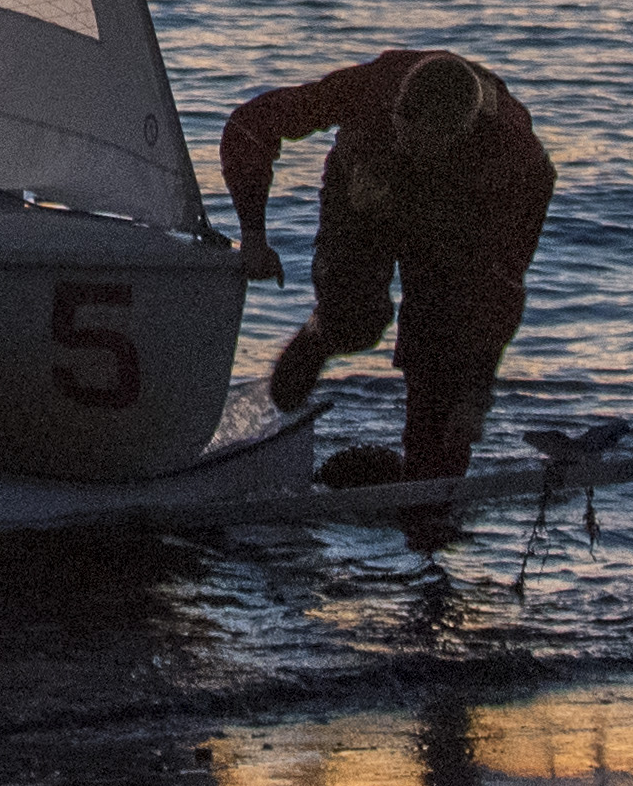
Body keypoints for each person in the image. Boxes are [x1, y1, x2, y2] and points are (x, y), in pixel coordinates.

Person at [220, 44, 552, 479]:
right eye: (402, 130)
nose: (408, 146)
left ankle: (429, 493)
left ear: (459, 136)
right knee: (357, 318)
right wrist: (254, 236)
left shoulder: (518, 162)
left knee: (442, 358)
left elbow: (501, 285)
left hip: (454, 217)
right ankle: (327, 331)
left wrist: (476, 392)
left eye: (422, 142)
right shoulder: (369, 91)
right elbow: (250, 127)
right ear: (394, 110)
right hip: (363, 191)